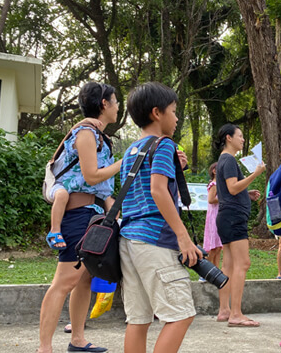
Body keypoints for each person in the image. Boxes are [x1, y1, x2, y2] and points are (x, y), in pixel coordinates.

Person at [38, 82, 121, 353]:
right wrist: (127, 160)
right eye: (115, 100)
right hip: (77, 215)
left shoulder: (99, 137)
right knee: (64, 282)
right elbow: (91, 176)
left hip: (93, 214)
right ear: (103, 104)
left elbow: (103, 188)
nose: (118, 105)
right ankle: (45, 347)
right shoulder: (85, 133)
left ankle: (78, 340)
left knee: (84, 279)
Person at [119, 82, 200, 353]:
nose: (177, 118)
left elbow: (139, 190)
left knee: (138, 319)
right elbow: (157, 190)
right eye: (174, 111)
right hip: (154, 239)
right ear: (157, 112)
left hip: (129, 239)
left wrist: (178, 168)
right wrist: (183, 236)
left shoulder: (131, 150)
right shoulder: (164, 144)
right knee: (180, 314)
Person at [214, 123, 265, 326]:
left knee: (228, 265)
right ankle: (236, 314)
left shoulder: (224, 161)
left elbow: (231, 190)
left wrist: (247, 192)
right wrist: (255, 174)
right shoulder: (228, 160)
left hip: (227, 216)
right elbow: (233, 188)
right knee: (243, 263)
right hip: (233, 218)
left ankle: (224, 310)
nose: (243, 140)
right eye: (240, 136)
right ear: (229, 137)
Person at [45, 118, 105, 252]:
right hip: (55, 184)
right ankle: (54, 230)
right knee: (62, 195)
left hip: (72, 191)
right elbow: (70, 134)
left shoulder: (98, 141)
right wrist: (84, 121)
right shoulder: (81, 135)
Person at [204, 163, 223, 270]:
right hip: (214, 217)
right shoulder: (214, 184)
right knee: (213, 247)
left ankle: (216, 270)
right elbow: (211, 200)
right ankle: (207, 270)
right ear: (214, 171)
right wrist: (224, 197)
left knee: (219, 246)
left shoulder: (220, 184)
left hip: (219, 215)